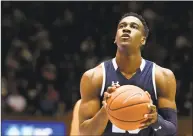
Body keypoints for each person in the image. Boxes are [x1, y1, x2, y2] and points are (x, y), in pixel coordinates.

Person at [78, 12, 177, 136]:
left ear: (143, 39)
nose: (126, 28)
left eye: (134, 27)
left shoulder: (162, 76)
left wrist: (156, 121)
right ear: (115, 38)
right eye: (122, 26)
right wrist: (106, 110)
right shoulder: (94, 77)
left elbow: (171, 131)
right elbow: (85, 133)